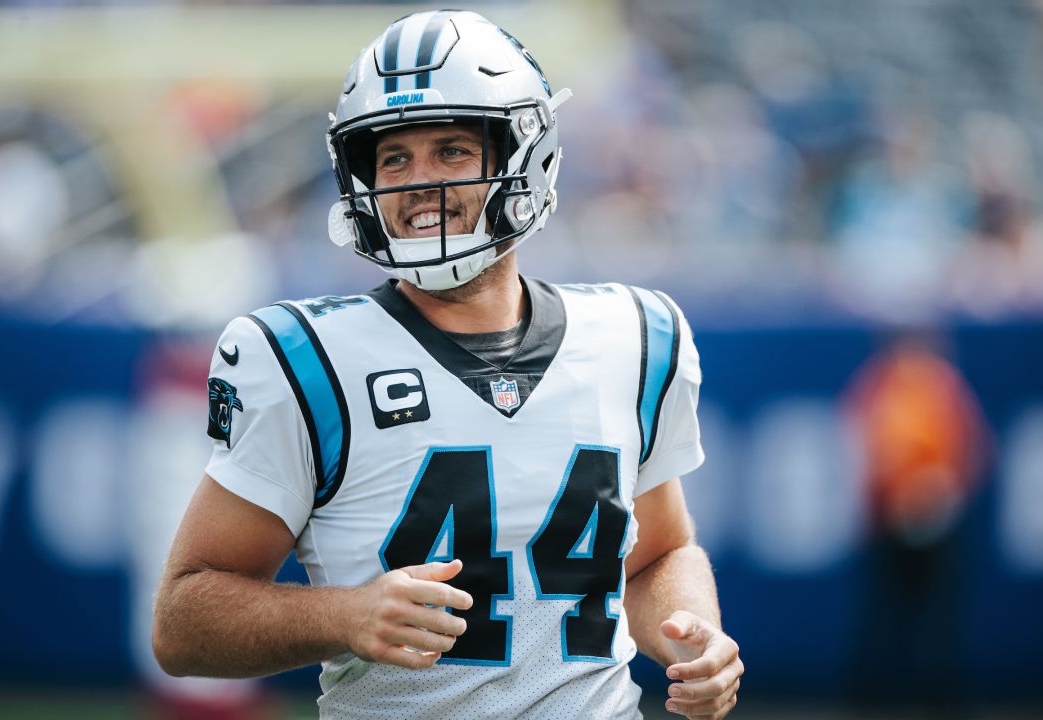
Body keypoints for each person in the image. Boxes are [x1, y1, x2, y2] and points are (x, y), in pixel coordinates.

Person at [152, 10, 743, 719]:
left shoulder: (634, 336)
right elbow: (182, 624)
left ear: (523, 155)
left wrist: (692, 634)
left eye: (452, 150)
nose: (416, 182)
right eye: (393, 157)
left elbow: (657, 556)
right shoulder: (305, 359)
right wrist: (342, 617)